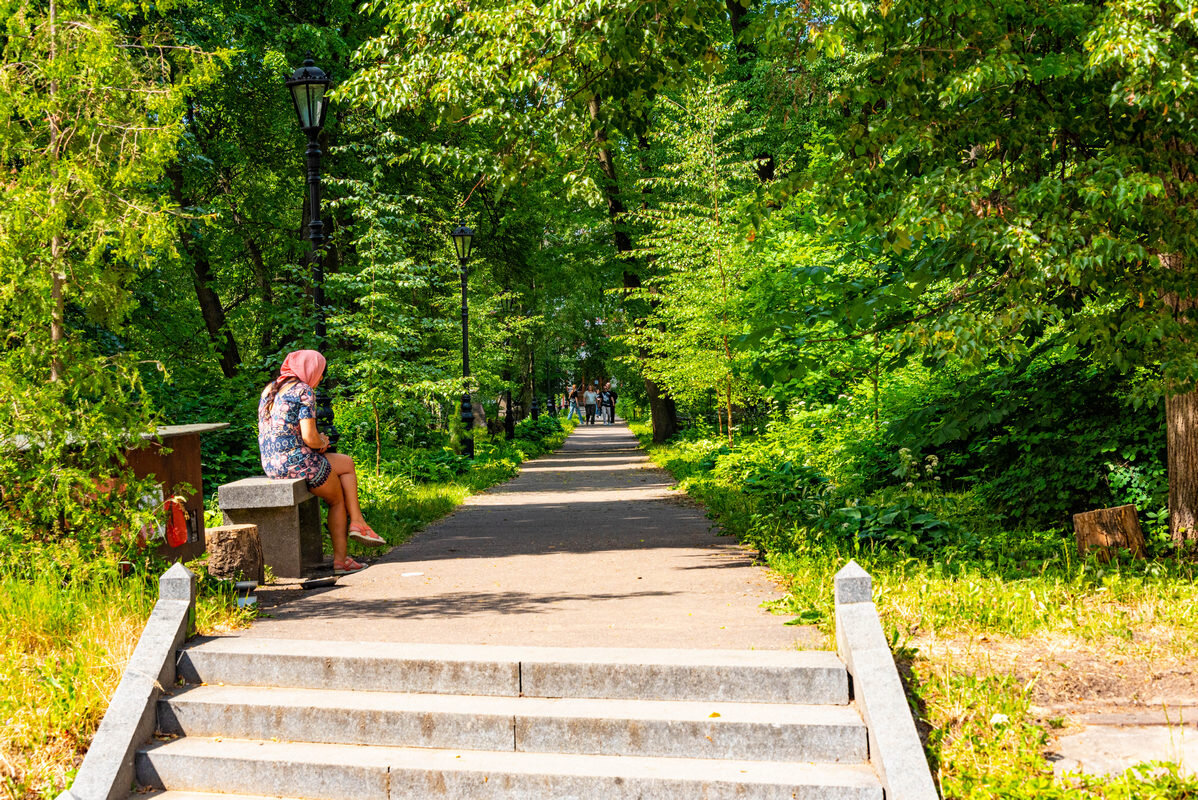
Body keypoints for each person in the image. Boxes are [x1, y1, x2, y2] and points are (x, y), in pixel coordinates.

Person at [258, 350, 385, 575]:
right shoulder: (303, 390)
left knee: (345, 464)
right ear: (310, 369)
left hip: (271, 465)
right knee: (337, 500)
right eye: (321, 372)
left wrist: (315, 444)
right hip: (297, 463)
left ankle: (358, 521)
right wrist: (322, 441)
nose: (322, 378)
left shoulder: (269, 390)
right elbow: (309, 438)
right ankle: (342, 557)